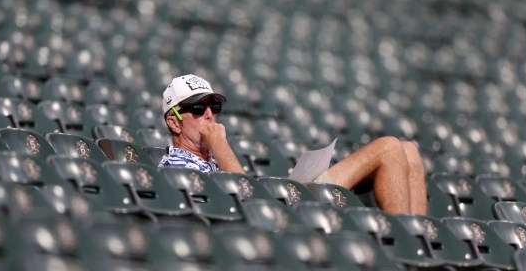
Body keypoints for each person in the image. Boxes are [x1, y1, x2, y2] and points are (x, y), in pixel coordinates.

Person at [159, 74, 427, 215]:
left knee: (409, 151)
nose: (209, 115)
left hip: (284, 204)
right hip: (282, 220)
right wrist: (220, 144)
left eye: (213, 106)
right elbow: (242, 195)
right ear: (174, 122)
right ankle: (405, 247)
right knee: (389, 147)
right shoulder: (175, 166)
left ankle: (418, 248)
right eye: (197, 108)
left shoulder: (212, 158)